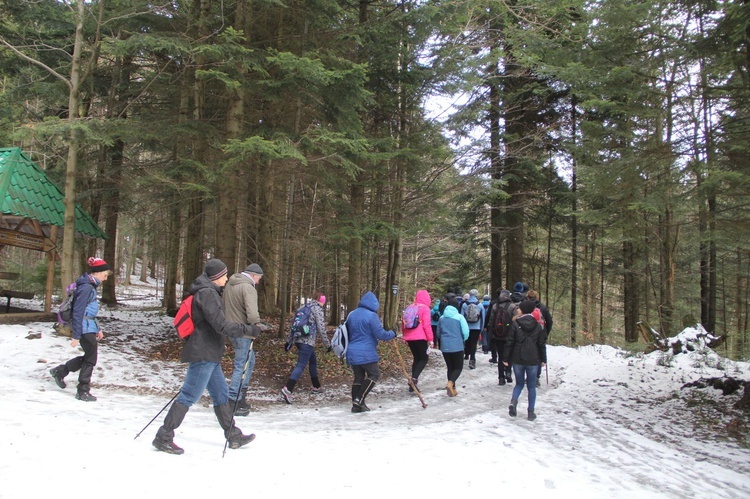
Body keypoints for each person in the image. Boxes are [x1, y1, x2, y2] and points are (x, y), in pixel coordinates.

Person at [152, 259, 259, 455]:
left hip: (209, 353)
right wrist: (248, 329)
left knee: (221, 395)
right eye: (224, 275)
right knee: (189, 395)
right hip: (204, 353)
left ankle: (233, 435)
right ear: (217, 277)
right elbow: (221, 325)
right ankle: (164, 436)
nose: (227, 278)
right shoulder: (207, 294)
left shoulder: (208, 292)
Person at [49, 257, 111, 402]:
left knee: (89, 357)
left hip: (88, 327)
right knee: (90, 359)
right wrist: (76, 335)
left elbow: (89, 311)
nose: (106, 278)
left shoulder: (90, 286)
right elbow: (78, 312)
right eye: (105, 275)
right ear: (97, 273)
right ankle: (82, 390)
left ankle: (60, 371)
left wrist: (98, 328)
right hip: (83, 328)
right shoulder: (86, 287)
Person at [223, 262, 265, 416]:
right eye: (259, 278)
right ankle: (233, 401)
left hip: (231, 328)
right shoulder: (248, 287)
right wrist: (257, 325)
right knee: (242, 366)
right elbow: (252, 313)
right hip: (244, 331)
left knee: (249, 361)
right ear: (253, 275)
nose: (259, 281)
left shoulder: (231, 284)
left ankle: (240, 398)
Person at [345, 291, 397, 413]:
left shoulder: (352, 314)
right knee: (374, 374)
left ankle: (356, 405)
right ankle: (359, 399)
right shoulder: (371, 316)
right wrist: (393, 333)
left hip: (352, 351)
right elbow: (381, 334)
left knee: (358, 377)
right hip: (366, 352)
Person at [281, 290, 331, 403]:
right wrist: (328, 345)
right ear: (322, 300)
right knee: (301, 364)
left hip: (298, 340)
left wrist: (289, 341)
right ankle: (288, 389)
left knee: (312, 360)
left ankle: (316, 386)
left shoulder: (303, 307)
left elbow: (293, 326)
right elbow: (321, 329)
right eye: (324, 300)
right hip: (307, 341)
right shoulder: (317, 309)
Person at [503, 300, 547, 421]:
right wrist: (543, 359)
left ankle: (514, 401)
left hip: (517, 358)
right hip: (533, 359)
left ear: (522, 310)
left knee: (519, 384)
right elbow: (541, 344)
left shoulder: (515, 324)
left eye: (519, 308)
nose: (517, 310)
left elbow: (510, 342)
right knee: (531, 387)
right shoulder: (538, 325)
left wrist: (505, 358)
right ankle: (531, 412)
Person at [401, 289, 434, 393]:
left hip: (410, 337)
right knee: (424, 359)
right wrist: (431, 339)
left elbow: (403, 323)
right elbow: (427, 325)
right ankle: (413, 379)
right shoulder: (425, 309)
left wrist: (405, 336)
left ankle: (412, 385)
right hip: (420, 337)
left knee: (416, 358)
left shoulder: (410, 307)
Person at [436, 296, 469, 397]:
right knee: (458, 367)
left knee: (450, 367)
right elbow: (465, 332)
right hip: (457, 345)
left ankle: (452, 389)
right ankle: (450, 383)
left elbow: (438, 332)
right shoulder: (459, 317)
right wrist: (463, 339)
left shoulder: (442, 318)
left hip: (445, 346)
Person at [487, 289, 516, 384]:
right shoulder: (512, 306)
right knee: (509, 355)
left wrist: (491, 333)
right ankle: (508, 372)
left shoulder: (495, 306)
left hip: (497, 336)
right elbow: (515, 321)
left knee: (500, 357)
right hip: (509, 336)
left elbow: (491, 321)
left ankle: (501, 378)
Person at [525, 289, 553, 387]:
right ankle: (536, 378)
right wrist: (546, 332)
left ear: (527, 297)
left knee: (528, 354)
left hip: (528, 334)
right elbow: (549, 321)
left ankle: (529, 376)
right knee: (539, 356)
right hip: (540, 333)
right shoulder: (543, 308)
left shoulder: (525, 307)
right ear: (537, 297)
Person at [461, 289, 486, 369]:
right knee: (473, 343)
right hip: (476, 327)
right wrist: (481, 329)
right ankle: (472, 359)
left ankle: (466, 355)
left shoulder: (465, 304)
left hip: (466, 327)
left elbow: (462, 317)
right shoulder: (480, 305)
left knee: (467, 342)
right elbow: (483, 318)